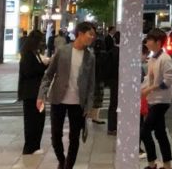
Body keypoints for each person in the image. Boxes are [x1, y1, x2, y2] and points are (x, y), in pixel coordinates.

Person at [38, 22, 98, 169]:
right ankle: (61, 160)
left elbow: (91, 83)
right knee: (55, 136)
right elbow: (48, 74)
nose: (92, 37)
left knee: (74, 138)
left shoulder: (90, 57)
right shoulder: (62, 51)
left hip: (78, 103)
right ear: (80, 33)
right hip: (58, 99)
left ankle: (68, 166)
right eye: (90, 34)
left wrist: (89, 106)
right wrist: (41, 95)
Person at [142, 29, 172, 169]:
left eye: (149, 40)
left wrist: (150, 89)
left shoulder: (165, 59)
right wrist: (143, 90)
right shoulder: (153, 58)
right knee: (160, 132)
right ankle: (167, 165)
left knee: (145, 131)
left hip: (161, 101)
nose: (147, 42)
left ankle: (152, 164)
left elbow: (168, 82)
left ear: (158, 42)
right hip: (153, 100)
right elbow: (148, 79)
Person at [19, 30, 48, 155]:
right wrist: (43, 67)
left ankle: (35, 145)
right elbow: (29, 72)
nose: (42, 43)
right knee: (33, 120)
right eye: (40, 40)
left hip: (37, 92)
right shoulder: (28, 55)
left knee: (39, 119)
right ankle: (30, 146)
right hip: (31, 93)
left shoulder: (32, 53)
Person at [104, 27, 120, 135]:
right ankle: (114, 126)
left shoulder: (111, 52)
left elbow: (108, 69)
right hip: (119, 81)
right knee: (117, 104)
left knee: (113, 104)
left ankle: (111, 127)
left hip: (113, 81)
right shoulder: (123, 53)